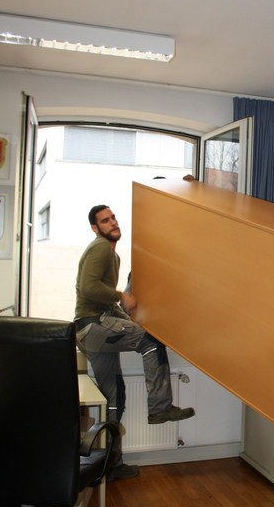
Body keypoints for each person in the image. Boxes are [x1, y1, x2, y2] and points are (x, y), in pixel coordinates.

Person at [75, 204, 195, 481]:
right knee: (150, 341)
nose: (113, 222)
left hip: (91, 332)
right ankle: (160, 408)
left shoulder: (111, 254)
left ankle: (111, 465)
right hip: (93, 326)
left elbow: (103, 300)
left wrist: (125, 314)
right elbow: (88, 288)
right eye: (105, 220)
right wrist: (121, 296)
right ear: (95, 228)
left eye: (113, 217)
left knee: (114, 398)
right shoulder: (101, 248)